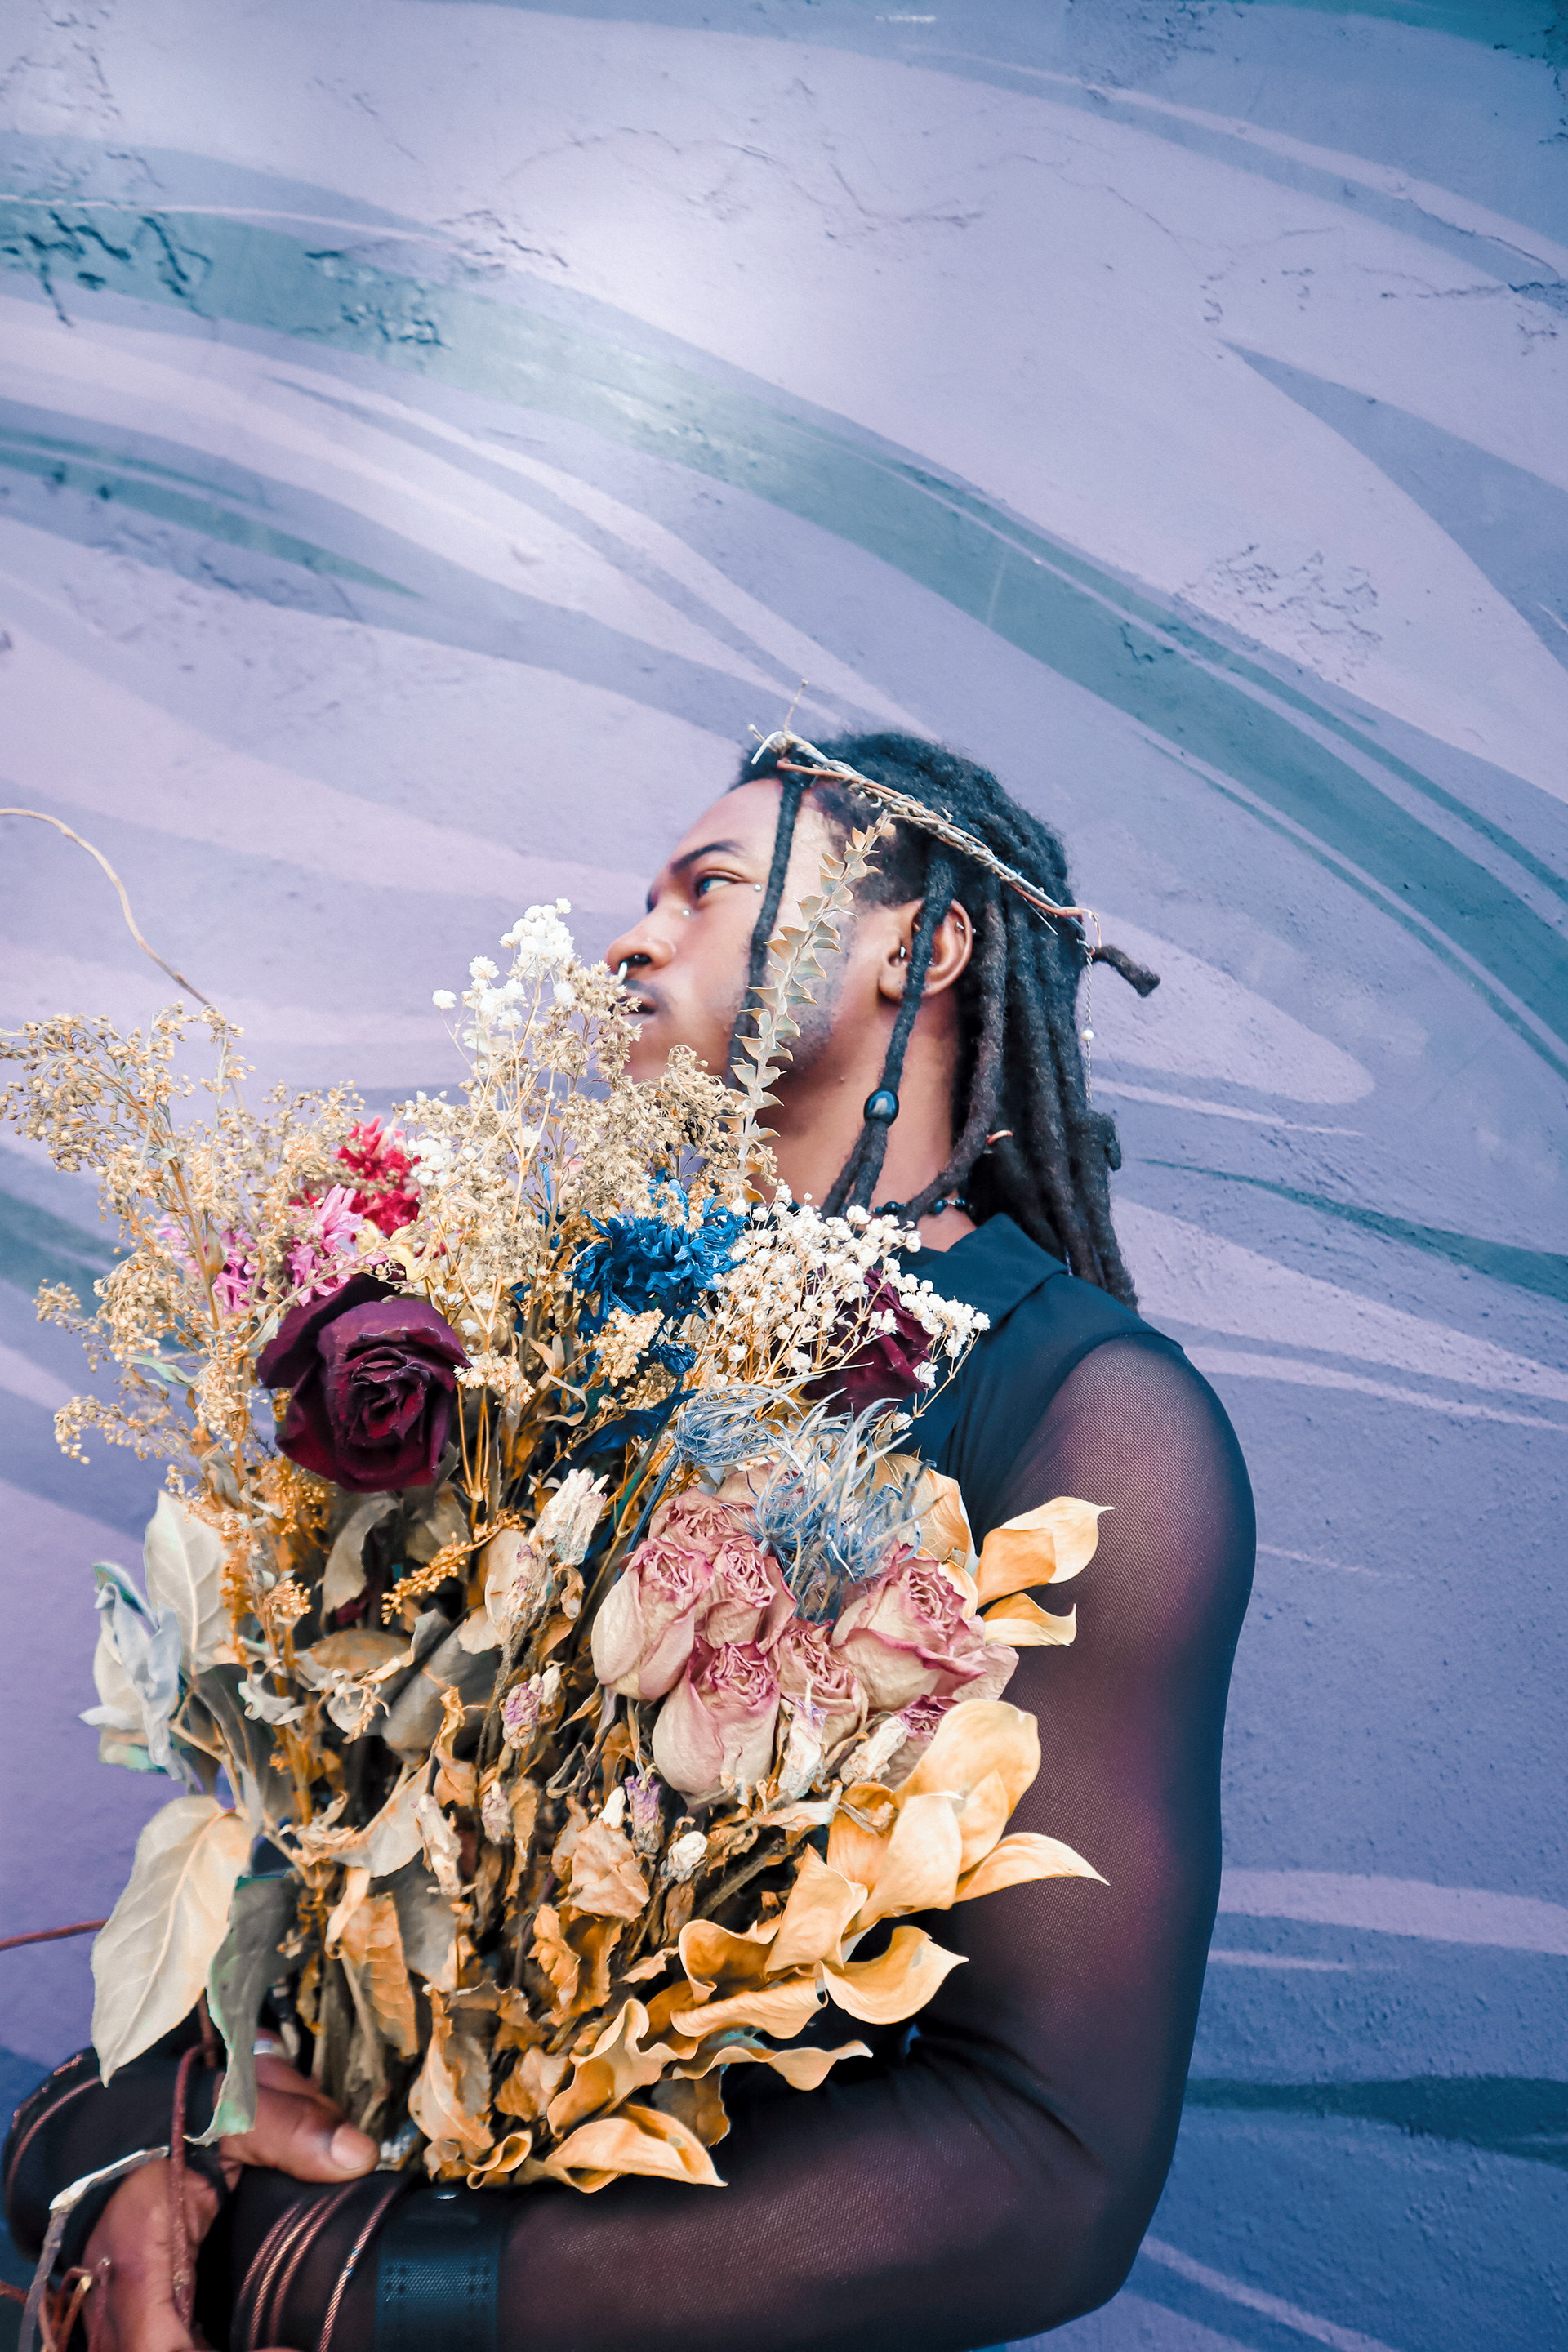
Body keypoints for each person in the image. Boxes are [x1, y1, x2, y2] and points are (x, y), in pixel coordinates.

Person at [6, 732, 1254, 2352]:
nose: (631, 939)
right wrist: (136, 2151)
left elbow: (1045, 2170)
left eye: (706, 888)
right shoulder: (520, 1337)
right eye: (643, 900)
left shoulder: (1091, 1420)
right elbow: (294, 1879)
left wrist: (357, 2286)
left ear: (922, 946)